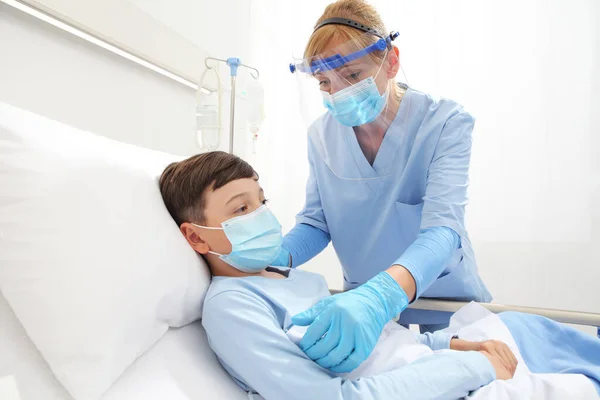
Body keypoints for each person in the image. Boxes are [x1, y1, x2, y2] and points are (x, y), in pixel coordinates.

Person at [158, 151, 600, 400]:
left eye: (261, 200)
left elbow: (380, 342)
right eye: (240, 209)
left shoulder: (289, 277)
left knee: (541, 334)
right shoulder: (232, 305)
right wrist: (473, 365)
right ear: (197, 239)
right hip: (442, 385)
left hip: (435, 365)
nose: (262, 215)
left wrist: (449, 343)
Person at [274, 0, 491, 372]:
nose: (336, 92)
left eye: (352, 75)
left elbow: (444, 229)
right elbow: (316, 222)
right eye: (324, 82)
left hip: (442, 299)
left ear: (390, 61)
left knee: (471, 378)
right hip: (364, 309)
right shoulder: (321, 136)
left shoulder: (443, 122)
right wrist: (275, 259)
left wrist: (381, 295)